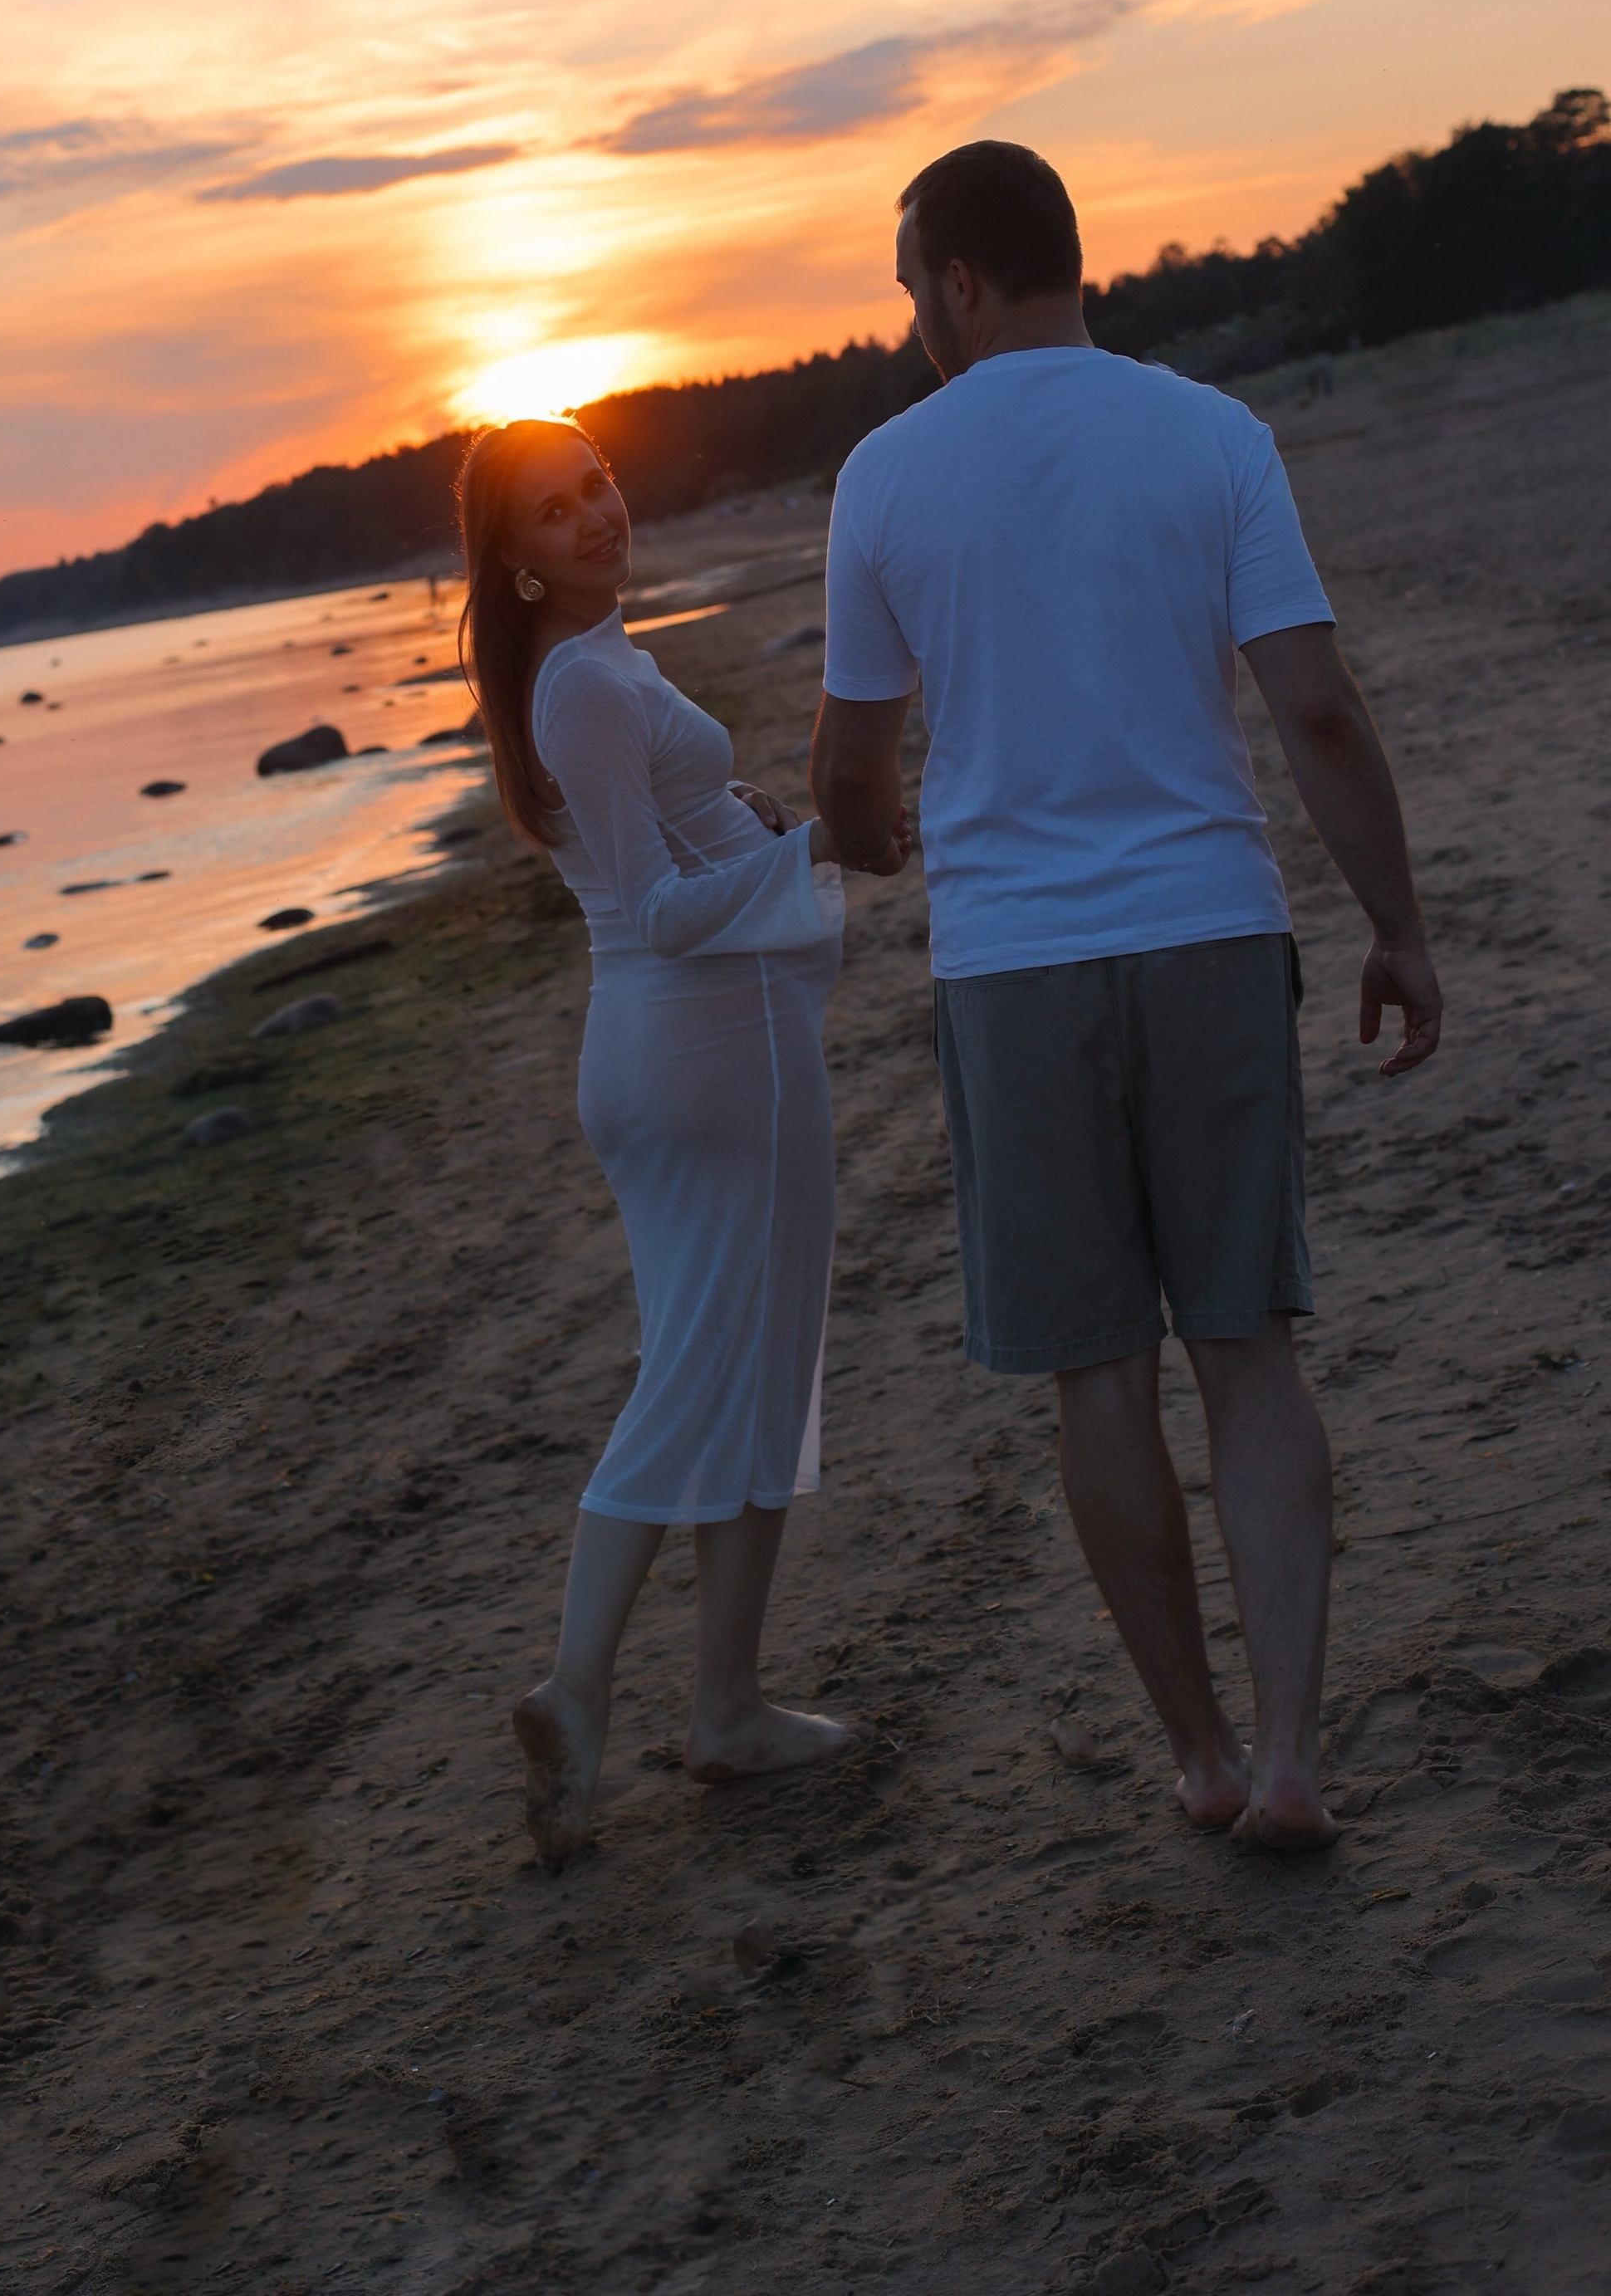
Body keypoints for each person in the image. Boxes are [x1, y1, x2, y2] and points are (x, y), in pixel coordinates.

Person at [809, 142, 1442, 1851]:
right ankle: (1298, 1756)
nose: (905, 318)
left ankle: (1201, 1759)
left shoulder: (882, 478)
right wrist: (1393, 923)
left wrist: (870, 844)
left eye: (902, 285)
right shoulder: (1207, 434)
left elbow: (854, 780)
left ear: (949, 278)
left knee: (1099, 1378)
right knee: (1247, 1351)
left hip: (1013, 970)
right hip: (1209, 933)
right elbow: (1313, 708)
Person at [457, 416, 895, 1867]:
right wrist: (810, 845)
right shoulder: (584, 683)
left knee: (711, 1360)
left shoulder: (597, 671)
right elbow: (655, 911)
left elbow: (654, 859)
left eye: (597, 486)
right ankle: (620, 1694)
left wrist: (748, 827)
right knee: (731, 1370)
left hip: (664, 1056)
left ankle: (712, 1702)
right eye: (555, 511)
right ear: (513, 562)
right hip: (709, 1052)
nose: (595, 516)